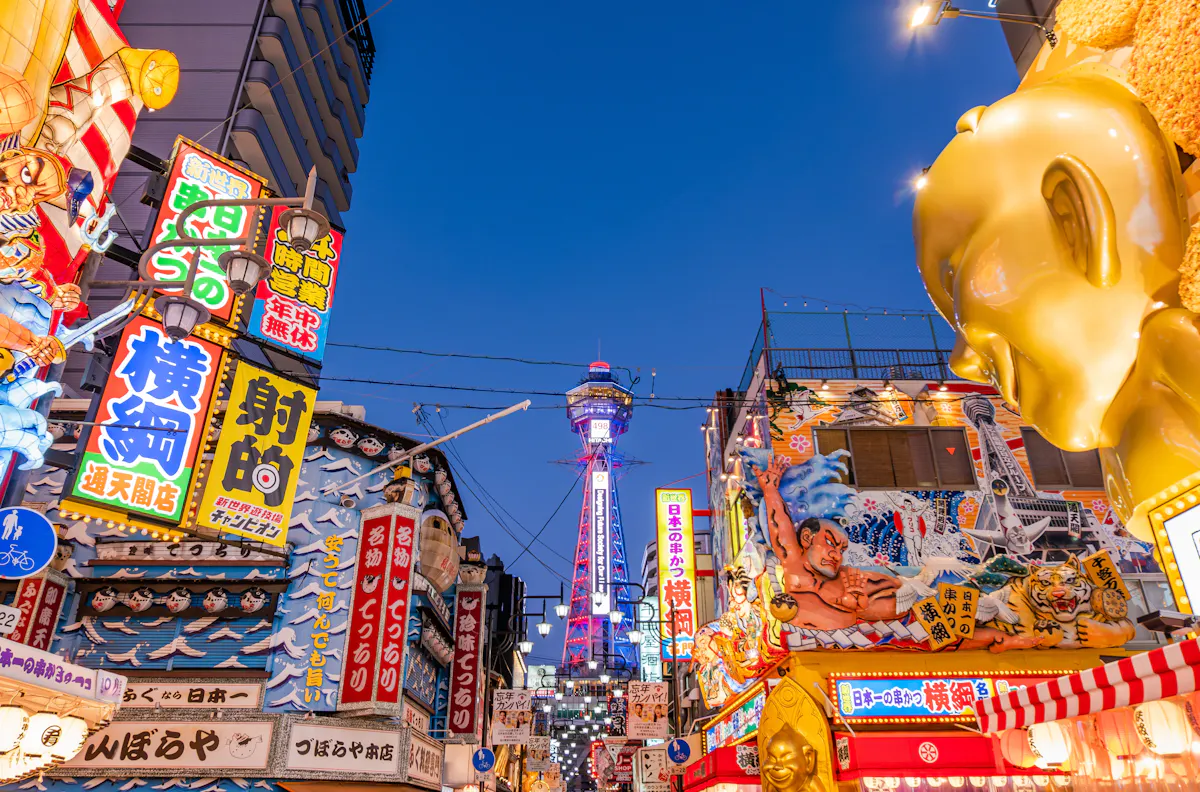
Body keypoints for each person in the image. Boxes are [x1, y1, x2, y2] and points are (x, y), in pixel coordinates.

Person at [752, 456, 903, 629]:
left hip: (843, 644)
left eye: (842, 550)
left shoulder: (848, 578)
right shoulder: (793, 562)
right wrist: (770, 490)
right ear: (807, 538)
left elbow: (899, 594)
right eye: (831, 544)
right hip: (803, 643)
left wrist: (862, 607)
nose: (837, 555)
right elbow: (780, 524)